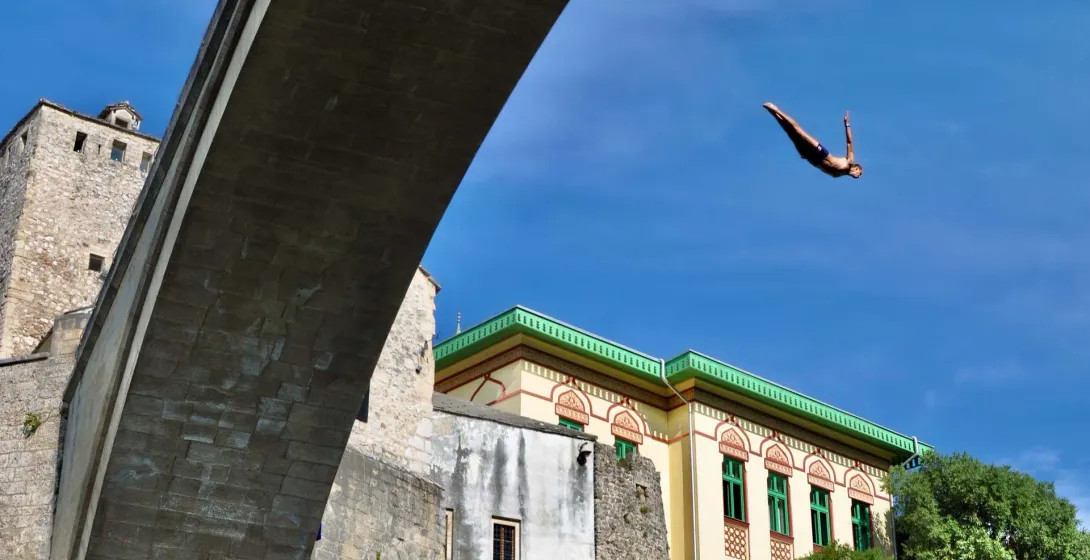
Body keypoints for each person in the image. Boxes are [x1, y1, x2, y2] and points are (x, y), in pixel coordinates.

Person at [763, 102, 863, 179]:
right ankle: (776, 109)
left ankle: (773, 113)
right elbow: (849, 141)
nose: (859, 176)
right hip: (821, 152)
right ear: (856, 168)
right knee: (799, 132)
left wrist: (807, 158)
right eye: (860, 173)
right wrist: (847, 124)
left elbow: (821, 168)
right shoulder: (850, 162)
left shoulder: (837, 175)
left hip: (811, 158)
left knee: (791, 133)